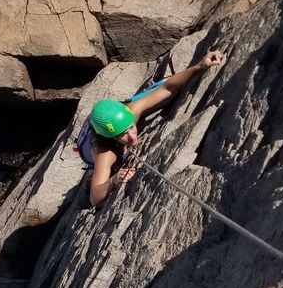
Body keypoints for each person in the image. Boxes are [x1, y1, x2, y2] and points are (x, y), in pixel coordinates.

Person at [84, 50, 225, 206]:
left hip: (112, 117)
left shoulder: (130, 112)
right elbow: (95, 197)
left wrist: (200, 65)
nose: (132, 136)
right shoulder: (105, 153)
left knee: (157, 90)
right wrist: (114, 179)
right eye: (124, 135)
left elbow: (167, 88)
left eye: (131, 128)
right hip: (96, 139)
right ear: (112, 137)